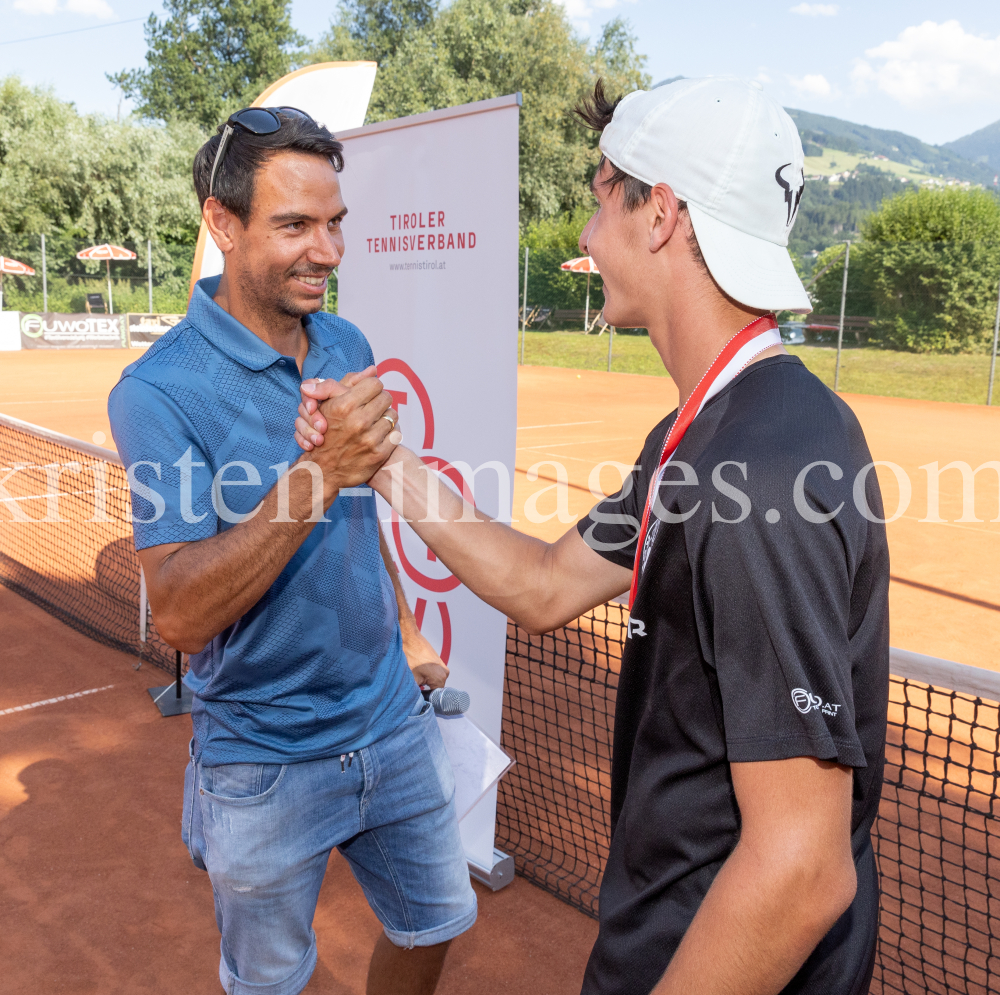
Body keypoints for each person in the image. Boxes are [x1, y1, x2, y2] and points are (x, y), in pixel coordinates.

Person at [295, 78, 890, 995]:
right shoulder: (701, 435)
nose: (585, 232)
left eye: (601, 192)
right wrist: (376, 459)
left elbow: (802, 869)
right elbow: (541, 584)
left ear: (661, 212)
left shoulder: (761, 469)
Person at [108, 107, 476, 995]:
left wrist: (406, 634)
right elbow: (184, 614)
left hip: (389, 723)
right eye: (296, 225)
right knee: (271, 983)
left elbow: (364, 515)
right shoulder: (158, 391)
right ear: (222, 223)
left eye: (336, 222)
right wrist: (319, 472)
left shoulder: (345, 342)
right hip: (260, 758)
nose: (329, 249)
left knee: (437, 922)